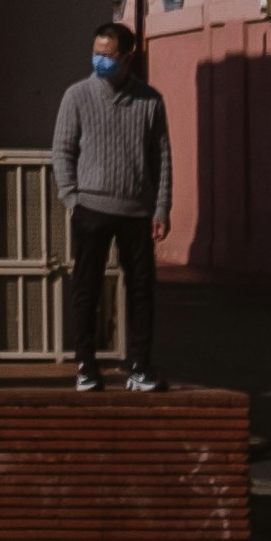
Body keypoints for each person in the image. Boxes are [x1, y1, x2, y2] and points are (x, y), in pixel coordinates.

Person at [50, 19, 170, 392]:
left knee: (141, 291)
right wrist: (72, 198)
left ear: (128, 57)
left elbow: (161, 158)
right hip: (91, 209)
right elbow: (63, 150)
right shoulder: (77, 96)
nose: (100, 60)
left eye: (108, 55)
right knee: (86, 289)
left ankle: (140, 366)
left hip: (137, 211)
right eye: (96, 53)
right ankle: (86, 365)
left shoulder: (151, 100)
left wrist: (162, 208)